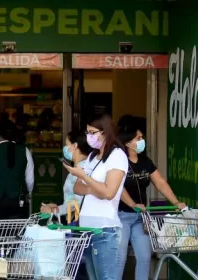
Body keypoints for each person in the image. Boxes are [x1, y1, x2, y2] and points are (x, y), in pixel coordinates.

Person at [116, 115, 186, 280]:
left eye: (142, 138)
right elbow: (117, 187)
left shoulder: (145, 162)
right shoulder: (118, 161)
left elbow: (160, 182)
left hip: (141, 217)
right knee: (119, 258)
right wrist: (132, 203)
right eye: (138, 138)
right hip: (121, 216)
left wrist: (176, 202)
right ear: (127, 142)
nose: (142, 141)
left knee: (145, 257)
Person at [64, 114, 128, 280]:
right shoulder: (92, 157)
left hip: (104, 230)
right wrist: (95, 189)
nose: (89, 137)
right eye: (87, 132)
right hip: (87, 229)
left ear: (105, 132)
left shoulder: (117, 155)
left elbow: (108, 193)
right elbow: (77, 188)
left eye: (92, 132)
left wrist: (86, 179)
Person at [41, 131, 92, 280]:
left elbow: (76, 204)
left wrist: (53, 210)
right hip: (78, 222)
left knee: (77, 268)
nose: (65, 148)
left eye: (67, 144)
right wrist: (56, 206)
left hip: (77, 224)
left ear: (75, 146)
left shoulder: (79, 171)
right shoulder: (85, 167)